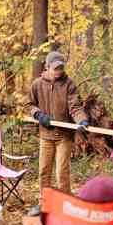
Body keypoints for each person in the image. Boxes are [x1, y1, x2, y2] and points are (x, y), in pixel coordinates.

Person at [28, 51, 88, 212]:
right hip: (45, 136)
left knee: (62, 172)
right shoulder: (37, 84)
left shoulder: (69, 84)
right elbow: (29, 105)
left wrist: (81, 119)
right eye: (55, 68)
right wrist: (38, 114)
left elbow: (75, 107)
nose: (59, 71)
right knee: (43, 171)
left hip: (64, 136)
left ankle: (65, 204)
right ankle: (44, 203)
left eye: (61, 68)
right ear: (47, 67)